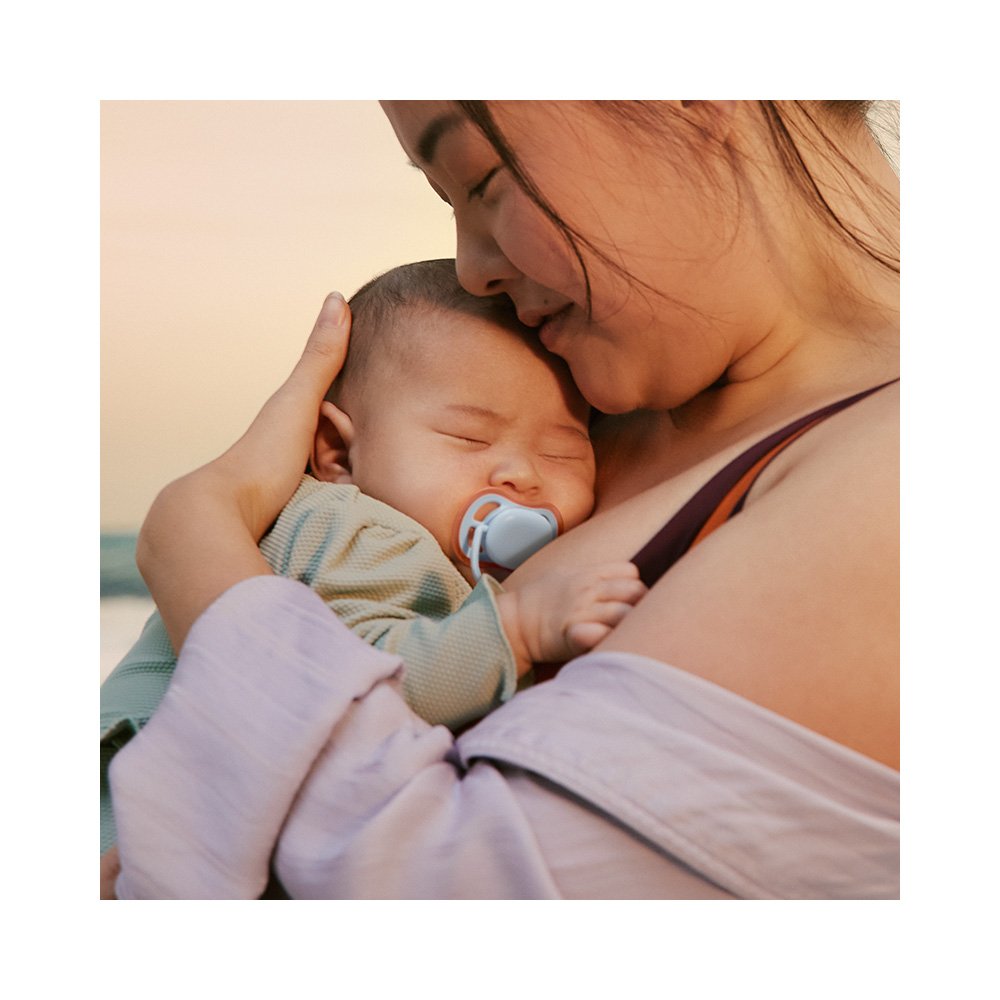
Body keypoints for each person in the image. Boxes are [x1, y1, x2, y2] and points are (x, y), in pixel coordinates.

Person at [104, 100, 899, 899]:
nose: (471, 270)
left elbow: (434, 884)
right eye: (445, 200)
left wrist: (196, 535)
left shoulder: (885, 480)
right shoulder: (583, 390)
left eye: (482, 178)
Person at [100, 258, 645, 853]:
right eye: (470, 438)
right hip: (130, 825)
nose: (521, 473)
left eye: (563, 451)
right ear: (338, 452)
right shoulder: (361, 528)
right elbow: (356, 689)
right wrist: (519, 629)